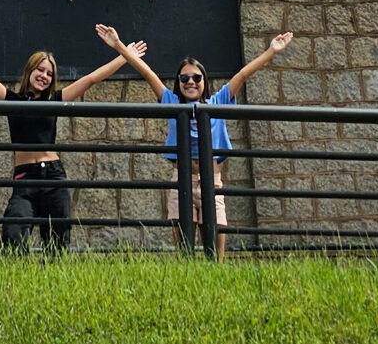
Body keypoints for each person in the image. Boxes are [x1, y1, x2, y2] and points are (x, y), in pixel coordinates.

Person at [0, 21, 145, 252]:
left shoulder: (55, 101)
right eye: (40, 70)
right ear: (30, 71)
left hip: (53, 176)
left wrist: (124, 54)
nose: (44, 76)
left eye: (49, 74)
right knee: (13, 235)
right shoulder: (11, 101)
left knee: (57, 243)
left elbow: (91, 79)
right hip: (25, 178)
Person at [105, 27, 293, 256]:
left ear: (204, 80)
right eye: (184, 78)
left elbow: (243, 75)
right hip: (181, 180)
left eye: (196, 77)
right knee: (184, 252)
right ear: (178, 81)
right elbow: (148, 74)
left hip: (211, 181)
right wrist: (119, 46)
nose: (190, 82)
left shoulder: (218, 100)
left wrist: (271, 51)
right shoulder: (171, 102)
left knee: (215, 252)